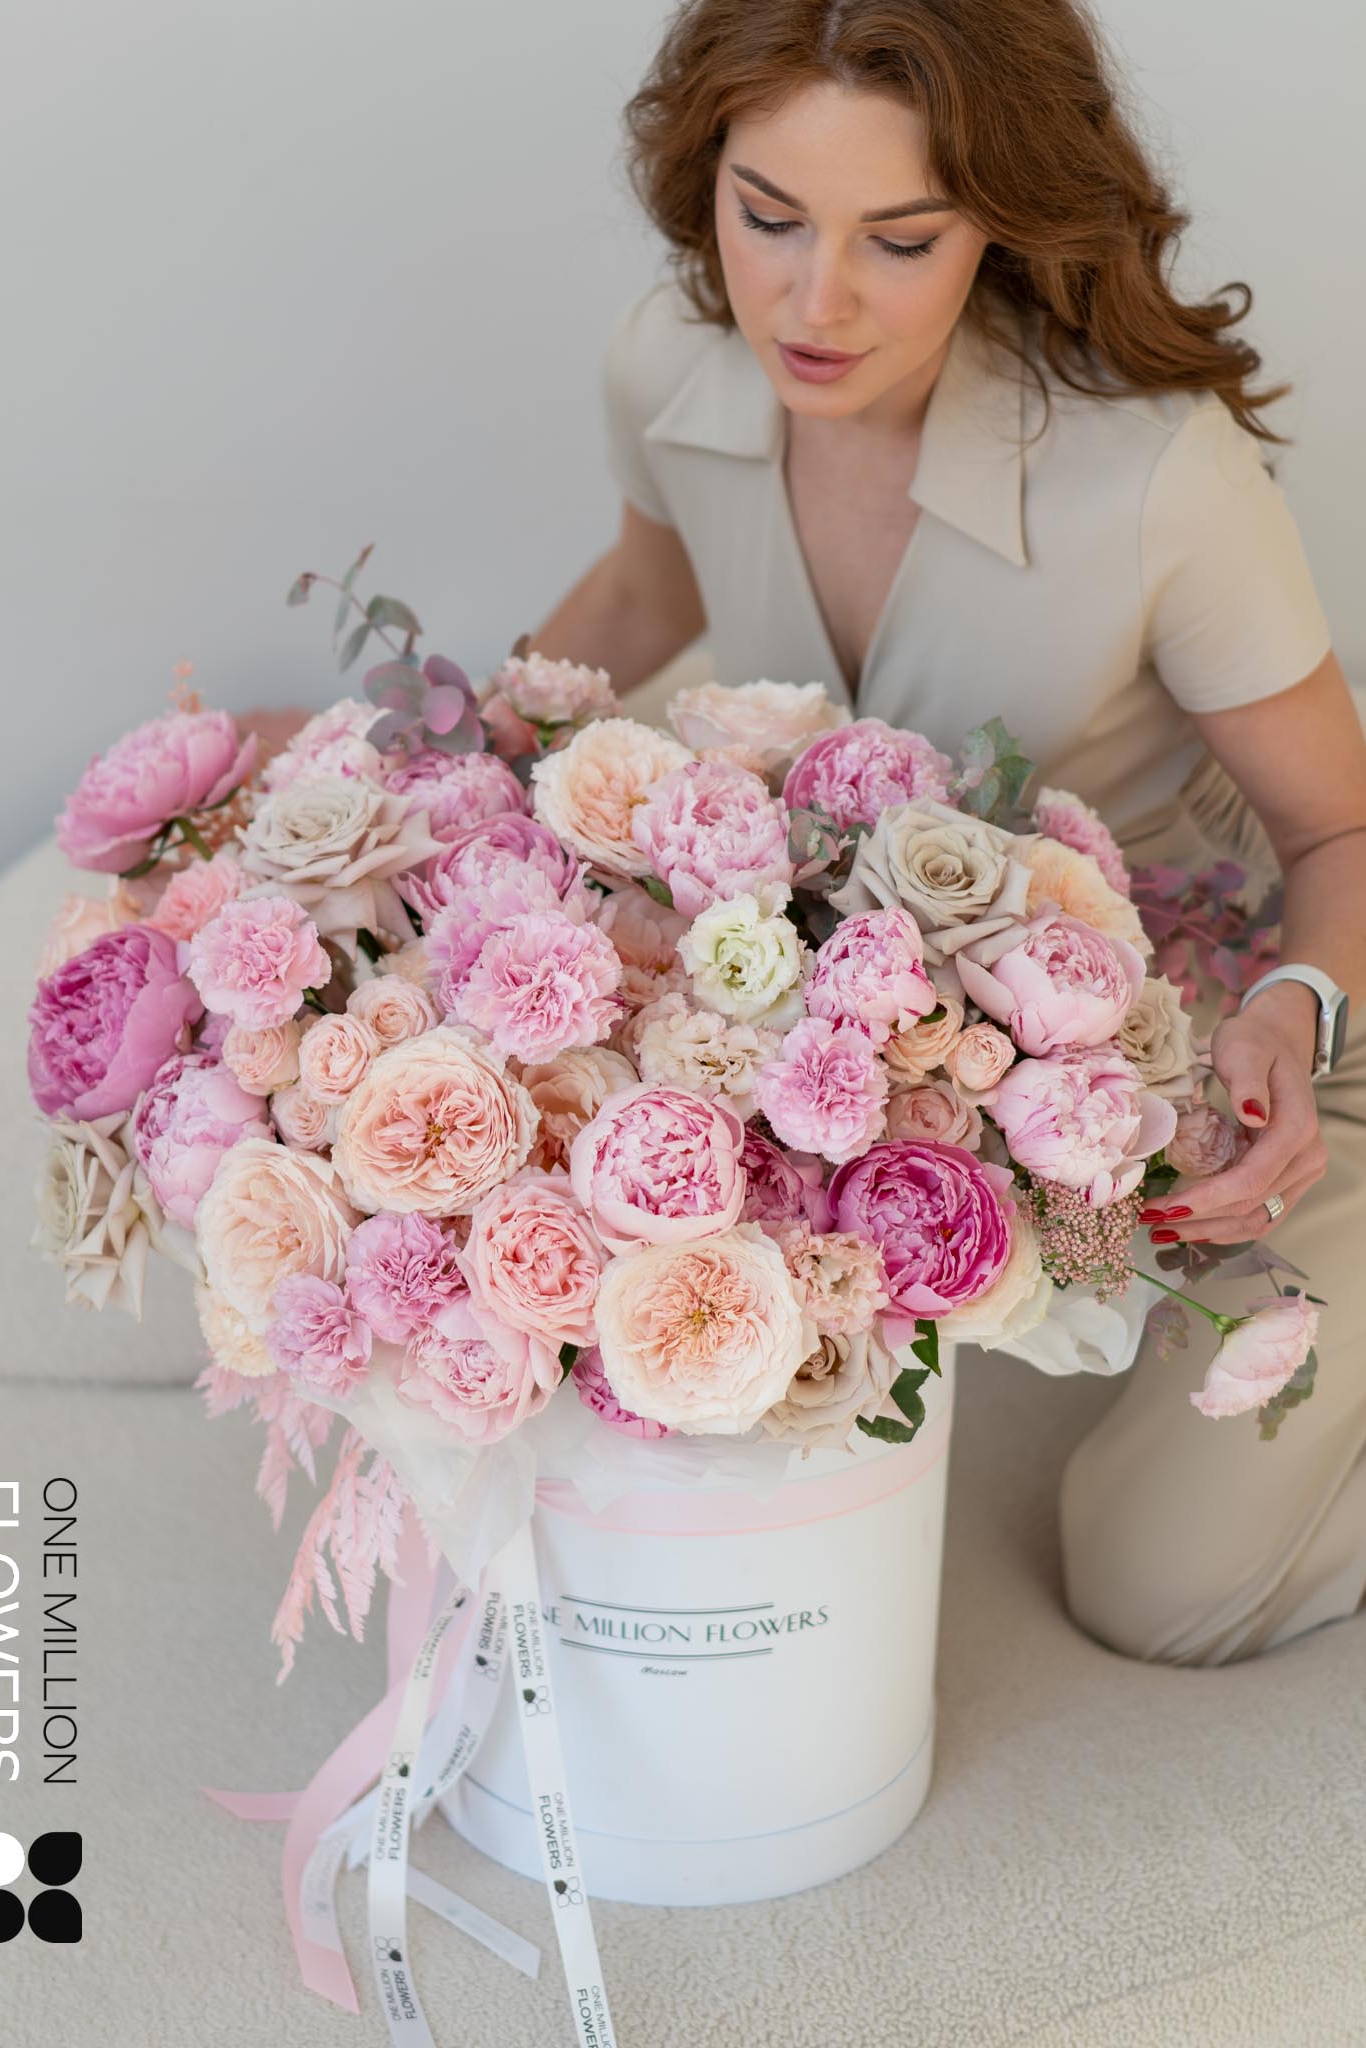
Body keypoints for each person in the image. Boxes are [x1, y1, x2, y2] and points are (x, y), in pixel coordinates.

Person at [527, 0, 1366, 1667]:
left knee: (1160, 1591)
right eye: (767, 216)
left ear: (997, 221)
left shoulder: (1155, 475)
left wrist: (1298, 1012)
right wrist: (420, 765)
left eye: (897, 240)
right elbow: (641, 590)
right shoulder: (669, 365)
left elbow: (1339, 828)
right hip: (957, 1065)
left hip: (1261, 1046)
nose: (811, 302)